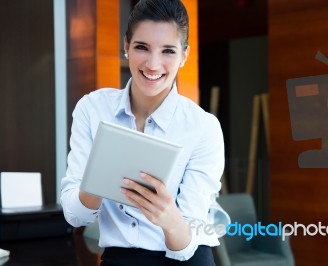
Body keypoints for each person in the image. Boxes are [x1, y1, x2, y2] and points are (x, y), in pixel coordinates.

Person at [60, 0, 225, 265]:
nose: (153, 64)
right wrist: (98, 183)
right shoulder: (92, 109)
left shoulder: (203, 127)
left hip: (185, 257)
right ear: (126, 47)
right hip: (118, 258)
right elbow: (75, 216)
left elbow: (185, 247)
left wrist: (168, 217)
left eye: (168, 51)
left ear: (184, 55)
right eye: (141, 47)